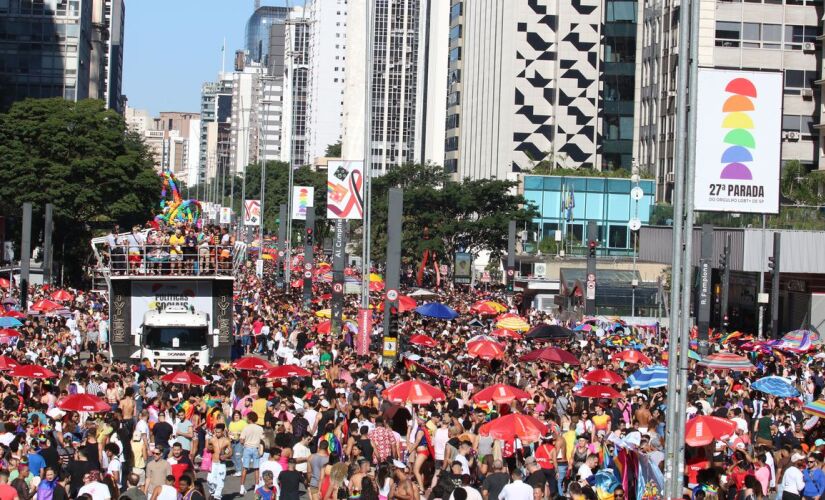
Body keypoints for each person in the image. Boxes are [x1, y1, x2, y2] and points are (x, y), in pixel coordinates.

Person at [239, 411, 265, 496]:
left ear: (249, 419)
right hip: (256, 448)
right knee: (256, 468)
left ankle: (242, 487)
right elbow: (262, 439)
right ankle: (257, 487)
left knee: (245, 468)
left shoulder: (246, 428)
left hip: (247, 448)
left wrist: (244, 443)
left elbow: (242, 440)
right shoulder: (260, 428)